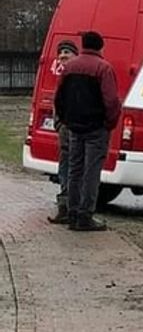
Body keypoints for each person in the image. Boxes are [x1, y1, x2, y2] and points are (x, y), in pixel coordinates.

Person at [53, 31, 120, 232]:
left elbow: (59, 97)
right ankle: (85, 215)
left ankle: (71, 213)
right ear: (100, 47)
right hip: (96, 128)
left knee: (74, 170)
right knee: (91, 172)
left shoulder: (69, 68)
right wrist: (110, 122)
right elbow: (111, 101)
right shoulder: (104, 68)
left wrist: (65, 120)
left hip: (74, 127)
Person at [48, 40, 79, 224]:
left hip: (77, 130)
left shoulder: (79, 74)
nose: (62, 56)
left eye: (67, 52)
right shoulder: (62, 76)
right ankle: (64, 207)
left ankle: (74, 209)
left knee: (75, 169)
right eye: (60, 53)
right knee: (64, 167)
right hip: (65, 130)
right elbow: (57, 102)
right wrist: (58, 124)